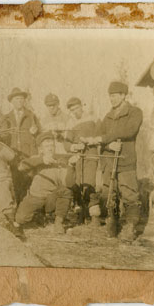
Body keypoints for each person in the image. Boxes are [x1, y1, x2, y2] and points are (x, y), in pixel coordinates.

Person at [81, 81, 143, 242]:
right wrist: (109, 144)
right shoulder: (108, 117)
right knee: (110, 194)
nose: (112, 99)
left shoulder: (134, 112)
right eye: (110, 96)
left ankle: (130, 227)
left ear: (123, 95)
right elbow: (99, 136)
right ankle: (112, 222)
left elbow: (129, 131)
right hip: (109, 161)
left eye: (115, 96)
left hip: (125, 160)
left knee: (129, 194)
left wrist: (106, 138)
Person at [14, 132, 79, 234]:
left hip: (51, 198)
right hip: (35, 197)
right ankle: (38, 214)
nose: (50, 148)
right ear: (41, 149)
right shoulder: (36, 158)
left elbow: (69, 184)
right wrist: (42, 160)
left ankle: (58, 222)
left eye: (52, 145)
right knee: (20, 219)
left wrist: (71, 165)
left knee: (66, 191)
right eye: (47, 146)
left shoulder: (59, 162)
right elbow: (21, 166)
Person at [0, 87, 41, 204]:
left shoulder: (31, 116)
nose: (20, 101)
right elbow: (3, 138)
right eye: (17, 99)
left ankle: (30, 208)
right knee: (16, 180)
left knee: (29, 180)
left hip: (27, 153)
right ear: (12, 101)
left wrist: (36, 131)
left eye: (22, 99)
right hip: (13, 154)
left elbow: (39, 135)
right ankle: (19, 207)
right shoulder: (6, 117)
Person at [64, 97, 100, 226]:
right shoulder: (70, 123)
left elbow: (101, 135)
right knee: (78, 183)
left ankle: (95, 215)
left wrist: (90, 140)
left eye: (76, 108)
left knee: (90, 183)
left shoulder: (93, 118)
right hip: (78, 157)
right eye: (72, 110)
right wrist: (74, 147)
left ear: (81, 106)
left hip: (91, 154)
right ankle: (81, 214)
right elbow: (66, 144)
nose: (75, 112)